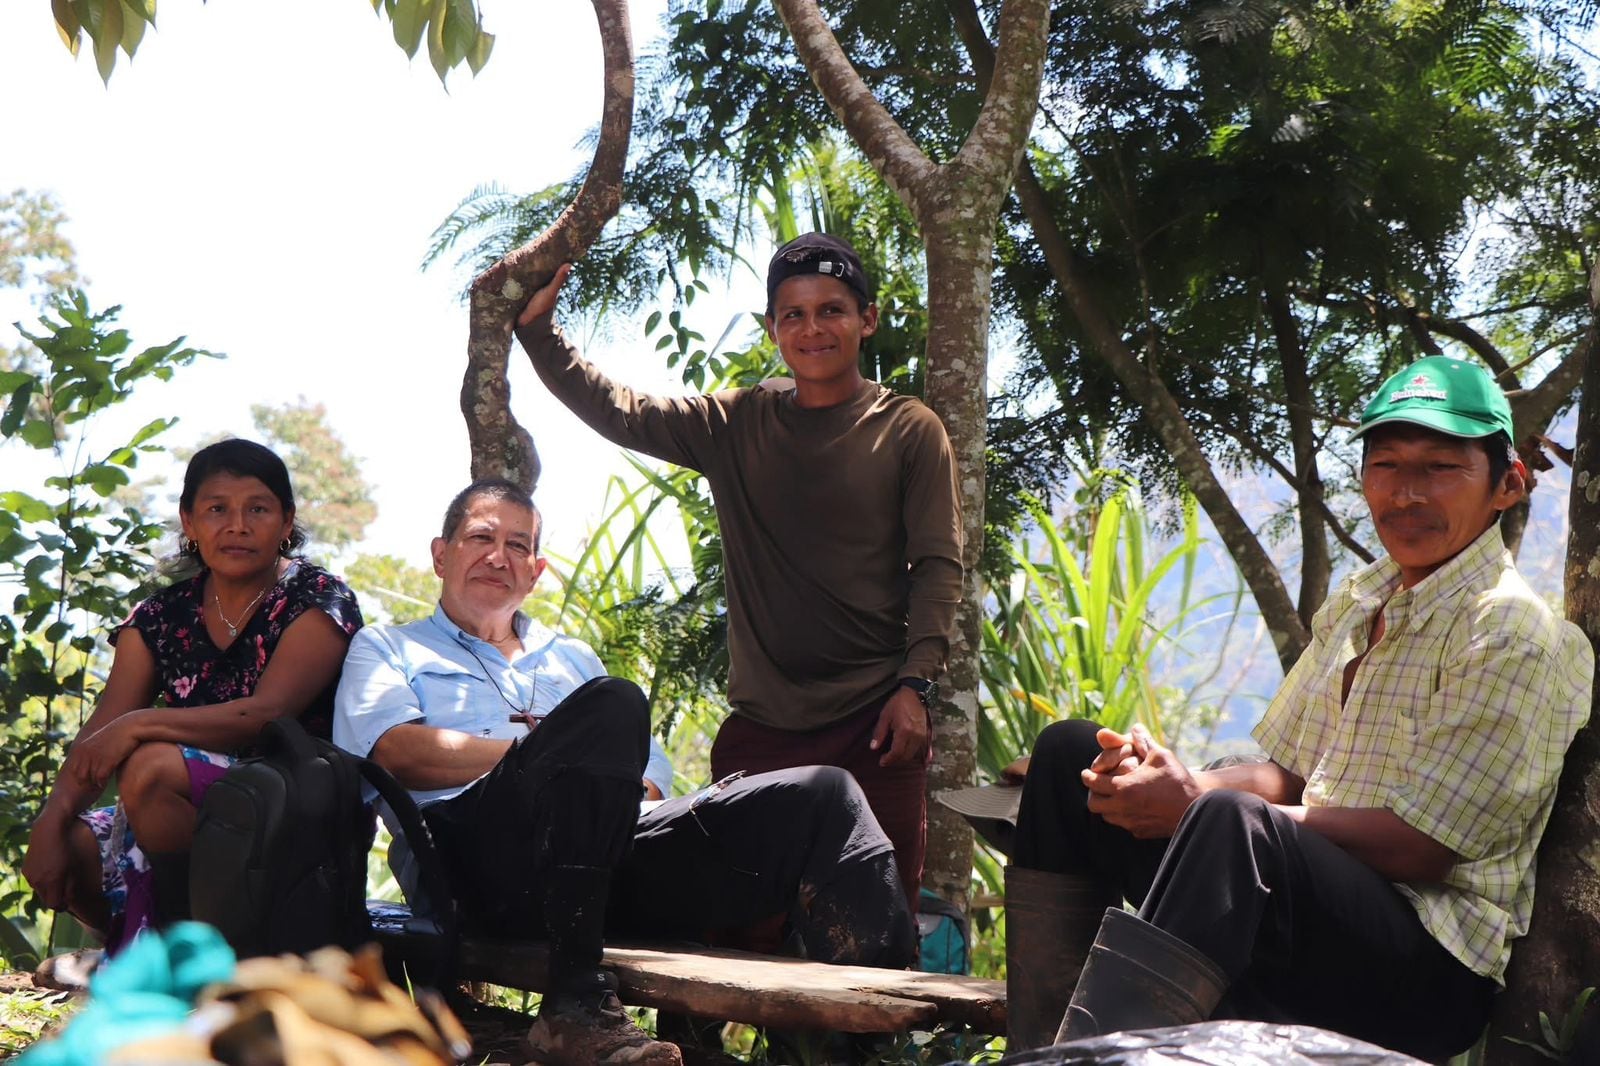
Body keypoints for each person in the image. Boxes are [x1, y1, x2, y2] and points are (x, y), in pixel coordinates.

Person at [1002, 355, 1595, 1060]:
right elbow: (1287, 771)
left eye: (1440, 468)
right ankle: (1047, 1049)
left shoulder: (1513, 633)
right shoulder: (1361, 601)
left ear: (1507, 485)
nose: (1406, 494)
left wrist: (1196, 806)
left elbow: (1424, 848)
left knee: (1228, 821)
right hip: (1300, 913)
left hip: (1423, 971)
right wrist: (1152, 779)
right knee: (1071, 754)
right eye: (1387, 466)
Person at [333, 479, 916, 1066]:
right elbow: (393, 752)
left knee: (824, 796)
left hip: (609, 860)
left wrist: (590, 775)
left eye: (517, 545)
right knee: (611, 705)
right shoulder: (386, 647)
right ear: (441, 554)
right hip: (472, 867)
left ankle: (876, 1046)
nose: (498, 556)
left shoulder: (572, 658)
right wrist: (546, 757)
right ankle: (575, 1005)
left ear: (535, 572)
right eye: (480, 537)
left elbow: (650, 769)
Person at [507, 233, 964, 905]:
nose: (813, 329)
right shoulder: (736, 423)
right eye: (794, 314)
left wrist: (916, 688)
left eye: (832, 310)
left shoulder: (907, 429)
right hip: (762, 729)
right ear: (773, 329)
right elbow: (623, 411)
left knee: (872, 933)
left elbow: (938, 566)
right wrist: (539, 333)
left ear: (866, 320)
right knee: (744, 932)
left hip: (876, 725)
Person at [21, 439, 364, 953]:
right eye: (217, 509)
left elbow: (265, 714)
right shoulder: (161, 616)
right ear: (189, 521)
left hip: (291, 801)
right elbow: (100, 734)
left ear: (287, 521)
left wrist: (139, 726)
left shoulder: (317, 598)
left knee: (150, 766)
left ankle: (201, 952)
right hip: (186, 806)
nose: (238, 525)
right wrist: (49, 823)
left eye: (259, 509)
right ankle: (140, 949)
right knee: (68, 846)